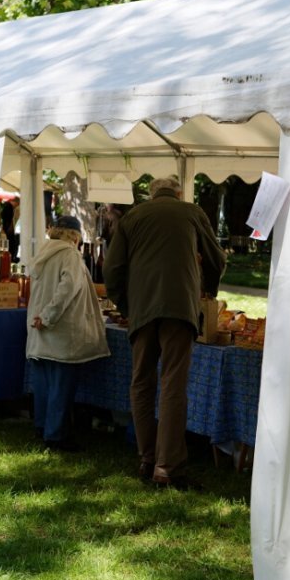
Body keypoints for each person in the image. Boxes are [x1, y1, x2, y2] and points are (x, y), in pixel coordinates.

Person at [103, 175, 225, 490]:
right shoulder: (192, 212)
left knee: (141, 384)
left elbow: (112, 269)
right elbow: (217, 258)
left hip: (142, 311)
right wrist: (207, 289)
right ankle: (167, 467)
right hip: (179, 309)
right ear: (178, 193)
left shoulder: (132, 216)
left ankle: (146, 458)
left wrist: (128, 305)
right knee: (172, 385)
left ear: (152, 194)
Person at [26, 215, 111, 451]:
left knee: (44, 384)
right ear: (74, 236)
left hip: (39, 329)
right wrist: (48, 316)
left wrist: (42, 317)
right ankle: (55, 436)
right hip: (59, 330)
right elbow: (68, 287)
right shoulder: (70, 254)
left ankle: (42, 427)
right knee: (60, 387)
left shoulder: (43, 251)